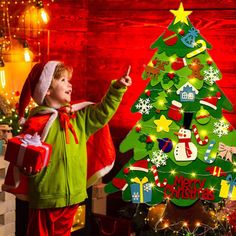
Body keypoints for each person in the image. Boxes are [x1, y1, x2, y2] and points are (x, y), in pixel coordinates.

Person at [3, 61, 132, 236]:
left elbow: (103, 112)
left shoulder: (78, 117)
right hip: (47, 198)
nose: (69, 84)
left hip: (74, 197)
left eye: (68, 80)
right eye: (63, 80)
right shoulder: (36, 123)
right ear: (47, 89)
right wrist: (29, 170)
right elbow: (27, 159)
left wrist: (117, 89)